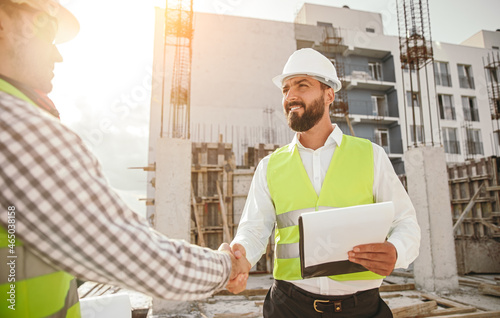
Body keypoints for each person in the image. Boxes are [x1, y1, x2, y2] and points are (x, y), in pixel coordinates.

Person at [0, 1, 250, 317]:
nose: (57, 54)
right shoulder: (15, 125)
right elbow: (127, 252)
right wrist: (226, 265)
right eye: (44, 28)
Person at [229, 48, 421, 317]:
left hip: (361, 308)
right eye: (285, 89)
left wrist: (397, 251)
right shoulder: (269, 166)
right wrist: (239, 257)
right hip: (289, 307)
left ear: (329, 94)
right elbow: (253, 231)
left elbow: (405, 223)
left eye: (302, 85)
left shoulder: (371, 156)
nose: (290, 96)